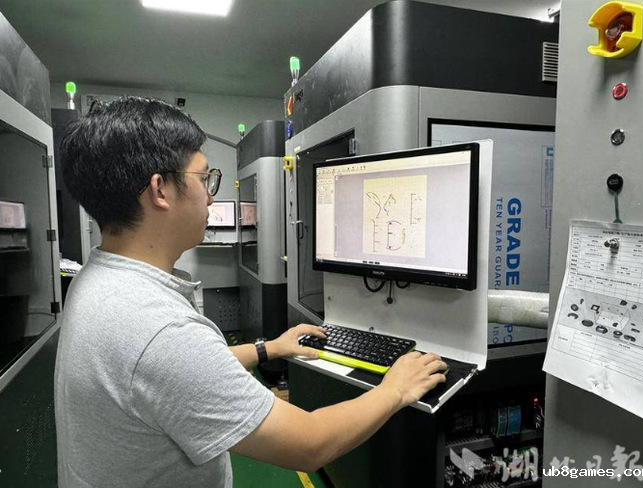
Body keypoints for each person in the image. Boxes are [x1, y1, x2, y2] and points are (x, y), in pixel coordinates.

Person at [55, 96, 448, 487]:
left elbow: (168, 374)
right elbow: (310, 443)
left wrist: (269, 349)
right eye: (204, 179)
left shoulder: (96, 280)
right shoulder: (161, 331)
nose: (210, 195)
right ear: (160, 190)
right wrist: (396, 390)